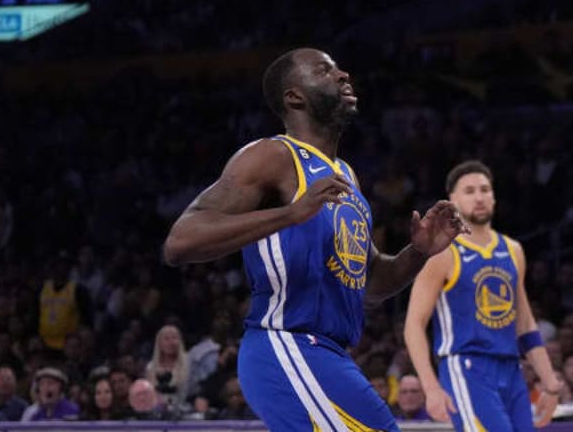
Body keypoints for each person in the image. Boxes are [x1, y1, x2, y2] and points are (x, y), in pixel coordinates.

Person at [163, 47, 466, 432]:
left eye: (339, 68)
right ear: (294, 96)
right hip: (284, 345)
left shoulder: (346, 176)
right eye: (325, 71)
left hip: (329, 353)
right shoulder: (273, 155)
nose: (342, 75)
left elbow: (369, 285)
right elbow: (180, 241)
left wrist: (418, 252)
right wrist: (290, 214)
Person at [403, 159, 560, 430]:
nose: (479, 197)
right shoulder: (443, 253)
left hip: (512, 369)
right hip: (466, 367)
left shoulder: (513, 250)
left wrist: (551, 383)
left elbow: (524, 324)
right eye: (470, 191)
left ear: (494, 196)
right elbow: (413, 326)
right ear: (452, 200)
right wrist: (430, 387)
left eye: (485, 189)